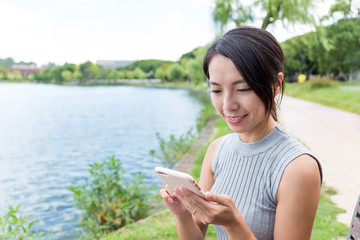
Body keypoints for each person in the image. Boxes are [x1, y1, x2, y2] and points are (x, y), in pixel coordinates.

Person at [159, 26, 322, 240]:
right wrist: (182, 214)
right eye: (216, 90)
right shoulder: (217, 149)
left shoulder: (298, 168)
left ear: (276, 85)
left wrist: (233, 223)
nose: (228, 105)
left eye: (242, 89)